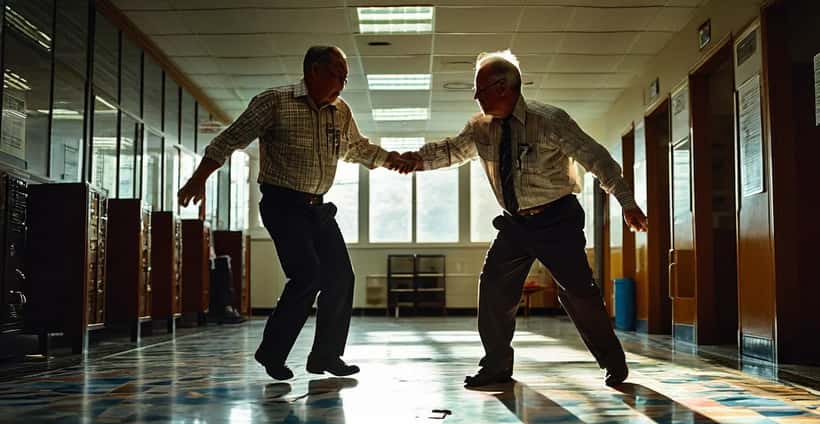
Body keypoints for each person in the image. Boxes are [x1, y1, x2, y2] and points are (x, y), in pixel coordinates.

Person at [399, 50, 648, 388]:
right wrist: (415, 160)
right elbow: (451, 150)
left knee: (578, 293)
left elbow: (596, 158)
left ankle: (613, 362)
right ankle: (497, 366)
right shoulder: (480, 128)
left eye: (481, 89)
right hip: (515, 223)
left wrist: (626, 202)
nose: (476, 97)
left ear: (504, 87)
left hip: (557, 218)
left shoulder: (549, 120)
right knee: (494, 288)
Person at [178, 46, 412, 381]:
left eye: (346, 79)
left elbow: (357, 148)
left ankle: (326, 356)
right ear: (313, 71)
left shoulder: (340, 111)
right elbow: (230, 139)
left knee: (341, 277)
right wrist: (198, 178)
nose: (342, 86)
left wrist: (393, 159)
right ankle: (272, 353)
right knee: (307, 276)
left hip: (317, 207)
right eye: (337, 76)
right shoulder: (275, 101)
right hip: (282, 204)